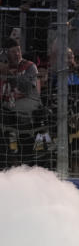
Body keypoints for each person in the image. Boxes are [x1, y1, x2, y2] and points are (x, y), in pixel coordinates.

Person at [0, 38, 41, 168]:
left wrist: (11, 76)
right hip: (5, 112)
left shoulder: (29, 66)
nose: (17, 54)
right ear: (5, 54)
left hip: (25, 111)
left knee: (25, 140)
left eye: (18, 50)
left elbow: (28, 88)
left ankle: (27, 168)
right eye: (13, 52)